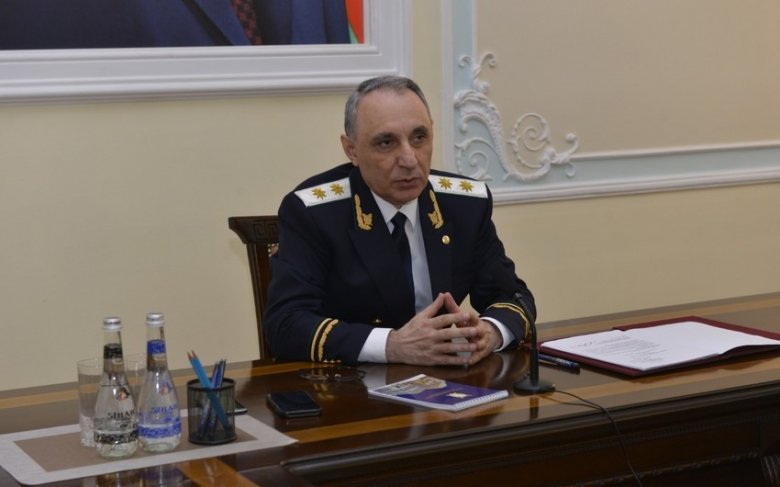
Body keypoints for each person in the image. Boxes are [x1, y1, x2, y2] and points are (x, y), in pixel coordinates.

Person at [263, 75, 535, 366]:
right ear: (352, 150)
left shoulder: (465, 204)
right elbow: (286, 324)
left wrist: (490, 332)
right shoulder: (313, 213)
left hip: (447, 379)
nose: (409, 159)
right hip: (352, 383)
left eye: (419, 138)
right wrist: (391, 345)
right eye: (386, 142)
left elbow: (513, 297)